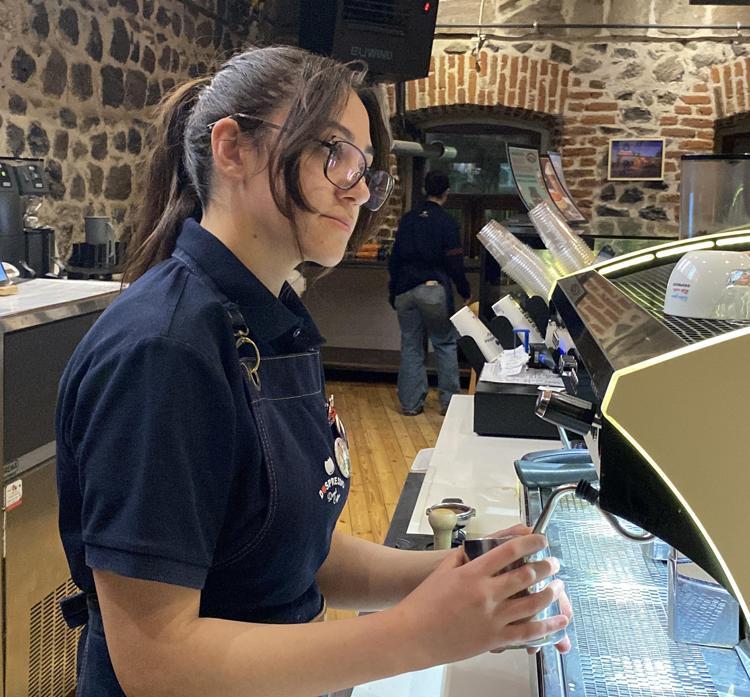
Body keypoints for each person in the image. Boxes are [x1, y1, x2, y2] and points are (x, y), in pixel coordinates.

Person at [55, 45, 571, 697]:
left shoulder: (272, 321)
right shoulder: (164, 349)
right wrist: (419, 632)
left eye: (366, 168)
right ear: (232, 149)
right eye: (334, 152)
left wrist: (461, 579)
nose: (359, 188)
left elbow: (295, 549)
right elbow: (157, 661)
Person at [388, 170, 471, 416]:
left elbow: (394, 260)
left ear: (425, 190)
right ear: (447, 192)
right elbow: (454, 263)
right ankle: (449, 404)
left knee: (411, 345)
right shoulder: (447, 222)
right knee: (444, 343)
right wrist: (464, 291)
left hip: (405, 290)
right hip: (433, 290)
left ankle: (410, 404)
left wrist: (393, 292)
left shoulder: (408, 219)